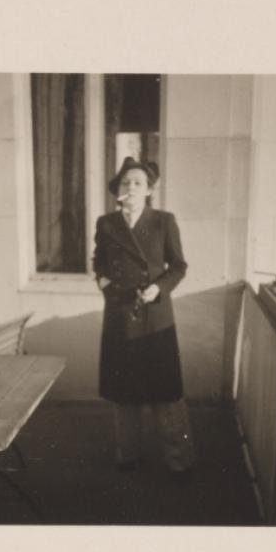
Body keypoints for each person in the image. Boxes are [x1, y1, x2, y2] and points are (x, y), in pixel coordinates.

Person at [92, 156, 196, 475]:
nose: (131, 187)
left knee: (165, 393)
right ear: (117, 190)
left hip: (155, 316)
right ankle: (129, 455)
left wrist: (158, 289)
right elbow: (99, 262)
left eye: (138, 183)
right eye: (126, 182)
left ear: (149, 190)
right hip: (121, 315)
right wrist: (105, 283)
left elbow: (178, 267)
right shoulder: (107, 224)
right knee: (125, 392)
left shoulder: (164, 221)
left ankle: (179, 461)